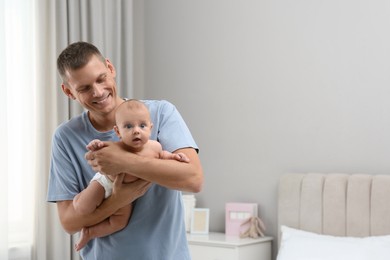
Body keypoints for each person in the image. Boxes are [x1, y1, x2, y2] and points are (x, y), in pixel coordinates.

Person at [47, 41, 203, 260]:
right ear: (68, 91)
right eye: (84, 88)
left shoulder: (160, 113)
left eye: (101, 79)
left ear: (110, 68)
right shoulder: (65, 137)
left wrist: (122, 162)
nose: (98, 92)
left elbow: (193, 179)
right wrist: (119, 199)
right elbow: (69, 222)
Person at [73, 99, 190, 251]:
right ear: (117, 131)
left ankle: (90, 232)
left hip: (128, 196)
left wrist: (176, 157)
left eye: (142, 125)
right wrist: (96, 145)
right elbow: (101, 150)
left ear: (150, 128)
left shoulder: (155, 147)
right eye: (128, 126)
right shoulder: (117, 147)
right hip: (105, 183)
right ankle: (77, 199)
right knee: (83, 208)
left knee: (119, 222)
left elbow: (164, 156)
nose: (136, 130)